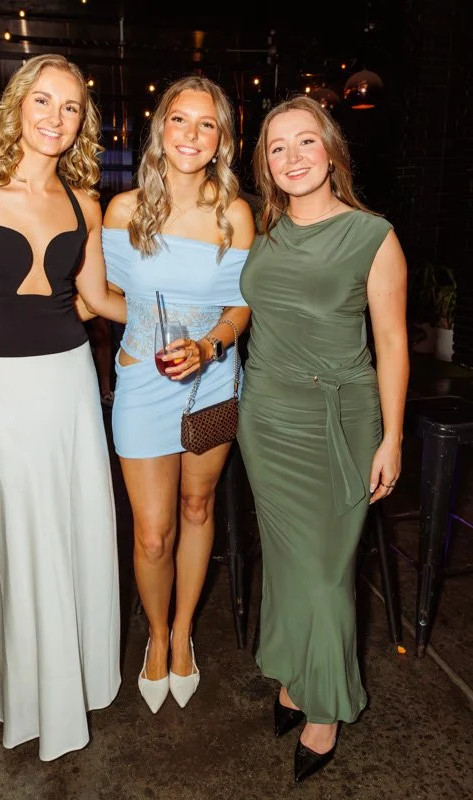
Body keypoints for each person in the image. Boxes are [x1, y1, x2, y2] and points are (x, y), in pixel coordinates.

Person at [0, 53, 127, 761]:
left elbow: (99, 300)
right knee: (22, 527)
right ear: (16, 107)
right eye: (43, 102)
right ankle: (24, 687)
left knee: (75, 521)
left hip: (71, 377)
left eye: (70, 108)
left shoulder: (86, 204)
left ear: (82, 123)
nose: (56, 118)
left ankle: (75, 678)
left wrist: (183, 323)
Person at [237, 95, 409, 782]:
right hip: (266, 419)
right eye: (278, 148)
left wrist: (393, 437)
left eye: (306, 142)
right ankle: (289, 672)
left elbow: (393, 343)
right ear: (266, 164)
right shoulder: (264, 231)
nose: (293, 158)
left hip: (339, 421)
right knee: (285, 561)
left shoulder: (372, 235)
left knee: (325, 573)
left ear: (331, 150)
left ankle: (327, 706)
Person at [102, 76, 254, 713]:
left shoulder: (235, 213)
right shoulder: (124, 211)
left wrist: (209, 345)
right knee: (152, 533)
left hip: (213, 380)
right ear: (159, 128)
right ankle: (156, 637)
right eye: (180, 120)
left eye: (207, 124)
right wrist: (143, 327)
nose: (192, 135)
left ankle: (185, 631)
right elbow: (100, 295)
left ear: (222, 139)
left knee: (198, 510)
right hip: (141, 383)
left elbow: (241, 307)